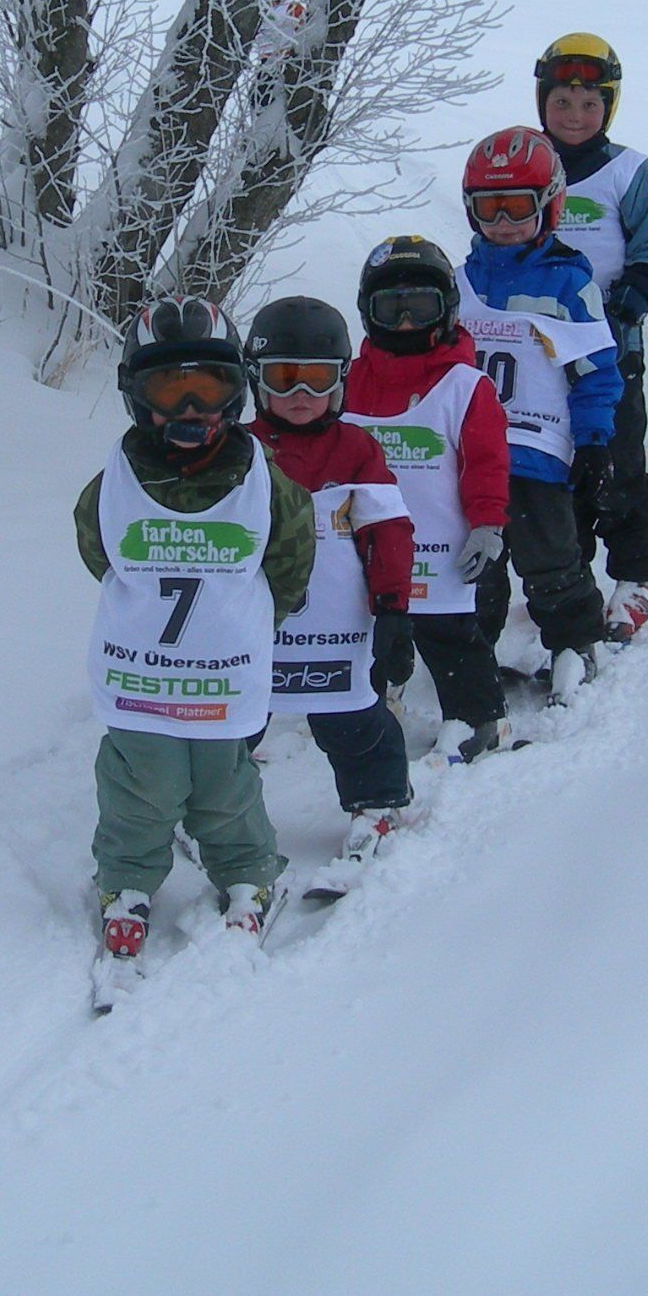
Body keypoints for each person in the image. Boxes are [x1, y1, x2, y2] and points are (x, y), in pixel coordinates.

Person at [75, 296, 315, 976]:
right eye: (168, 389)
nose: (189, 409)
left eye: (207, 389)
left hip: (223, 673)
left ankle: (249, 871)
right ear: (136, 395)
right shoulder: (114, 485)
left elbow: (291, 560)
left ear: (235, 392)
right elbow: (100, 552)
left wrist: (245, 623)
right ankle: (127, 878)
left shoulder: (265, 484)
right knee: (140, 783)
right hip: (140, 673)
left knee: (223, 783)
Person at [242, 296, 416, 869]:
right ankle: (211, 807)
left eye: (316, 380)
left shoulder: (357, 450)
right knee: (233, 720)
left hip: (335, 629)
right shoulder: (240, 451)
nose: (300, 395)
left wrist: (393, 607)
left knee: (352, 718)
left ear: (340, 381)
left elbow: (387, 531)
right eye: (284, 378)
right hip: (256, 627)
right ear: (256, 380)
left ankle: (378, 801)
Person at [456, 126, 618, 701]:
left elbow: (596, 371)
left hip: (536, 454)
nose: (502, 222)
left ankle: (574, 643)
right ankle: (469, 654)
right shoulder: (458, 284)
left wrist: (595, 441)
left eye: (517, 207)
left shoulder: (568, 284)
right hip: (468, 457)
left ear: (549, 205)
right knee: (472, 562)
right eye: (489, 208)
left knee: (549, 557)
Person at [343, 235, 518, 762]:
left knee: (449, 635)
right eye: (390, 309)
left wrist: (488, 523)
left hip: (438, 554)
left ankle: (477, 718)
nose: (404, 324)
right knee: (367, 629)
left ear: (446, 310)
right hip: (369, 549)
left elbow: (486, 462)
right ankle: (373, 700)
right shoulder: (350, 382)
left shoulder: (464, 386)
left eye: (419, 308)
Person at [533, 33, 648, 639]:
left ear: (609, 107)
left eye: (590, 104)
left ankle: (640, 575)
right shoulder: (525, 162)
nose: (574, 116)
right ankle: (572, 577)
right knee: (554, 470)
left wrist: (636, 291)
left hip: (610, 350)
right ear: (542, 102)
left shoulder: (629, 171)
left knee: (617, 467)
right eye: (562, 102)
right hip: (537, 355)